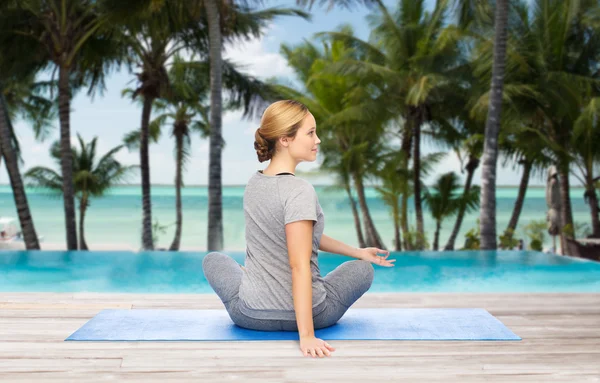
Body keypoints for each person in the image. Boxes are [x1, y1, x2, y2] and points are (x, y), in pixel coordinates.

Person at [202, 100, 395, 358]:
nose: (318, 140)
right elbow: (299, 265)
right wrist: (307, 335)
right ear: (284, 139)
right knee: (362, 271)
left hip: (251, 315)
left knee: (214, 260)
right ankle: (282, 299)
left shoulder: (254, 184)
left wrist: (357, 250)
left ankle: (254, 278)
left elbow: (305, 238)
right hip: (315, 315)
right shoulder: (300, 191)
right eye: (311, 132)